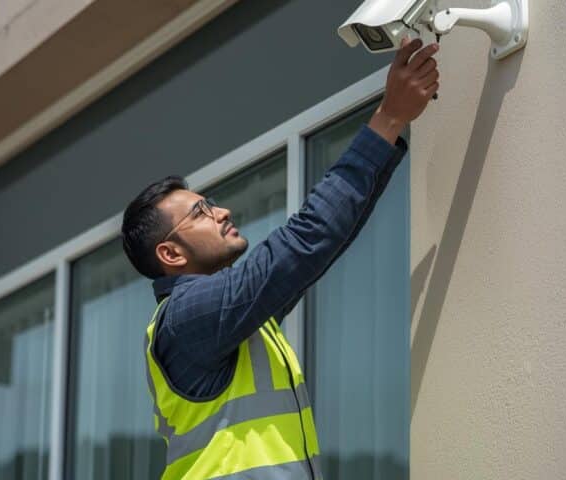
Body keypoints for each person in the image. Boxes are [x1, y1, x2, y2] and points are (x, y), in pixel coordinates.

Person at [120, 37, 439, 480]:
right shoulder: (186, 317)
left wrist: (390, 132)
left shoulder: (229, 321)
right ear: (170, 253)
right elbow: (304, 241)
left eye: (210, 203)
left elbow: (318, 246)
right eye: (200, 212)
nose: (222, 211)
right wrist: (388, 117)